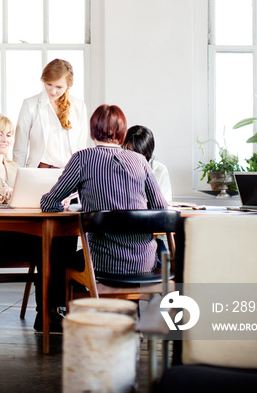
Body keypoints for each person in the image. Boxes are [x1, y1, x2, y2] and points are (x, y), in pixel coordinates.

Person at [40, 105, 168, 276]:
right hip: (144, 263)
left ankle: (64, 303)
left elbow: (48, 203)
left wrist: (63, 207)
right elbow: (161, 209)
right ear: (123, 134)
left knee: (59, 255)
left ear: (92, 132)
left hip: (100, 262)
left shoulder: (82, 158)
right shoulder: (140, 161)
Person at [0, 112, 62, 332]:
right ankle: (46, 314)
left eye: (8, 134)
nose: (5, 139)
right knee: (44, 245)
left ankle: (49, 313)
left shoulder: (16, 167)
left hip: (17, 233)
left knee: (52, 243)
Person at [13, 58, 88, 169]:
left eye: (59, 87)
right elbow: (20, 148)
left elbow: (81, 146)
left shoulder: (78, 105)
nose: (53, 91)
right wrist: (16, 179)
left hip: (70, 174)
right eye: (49, 84)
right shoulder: (30, 105)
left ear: (69, 85)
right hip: (40, 172)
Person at [123, 125, 172, 204]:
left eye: (137, 154)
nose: (132, 158)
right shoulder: (116, 168)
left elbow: (164, 203)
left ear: (146, 153)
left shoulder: (159, 170)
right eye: (128, 151)